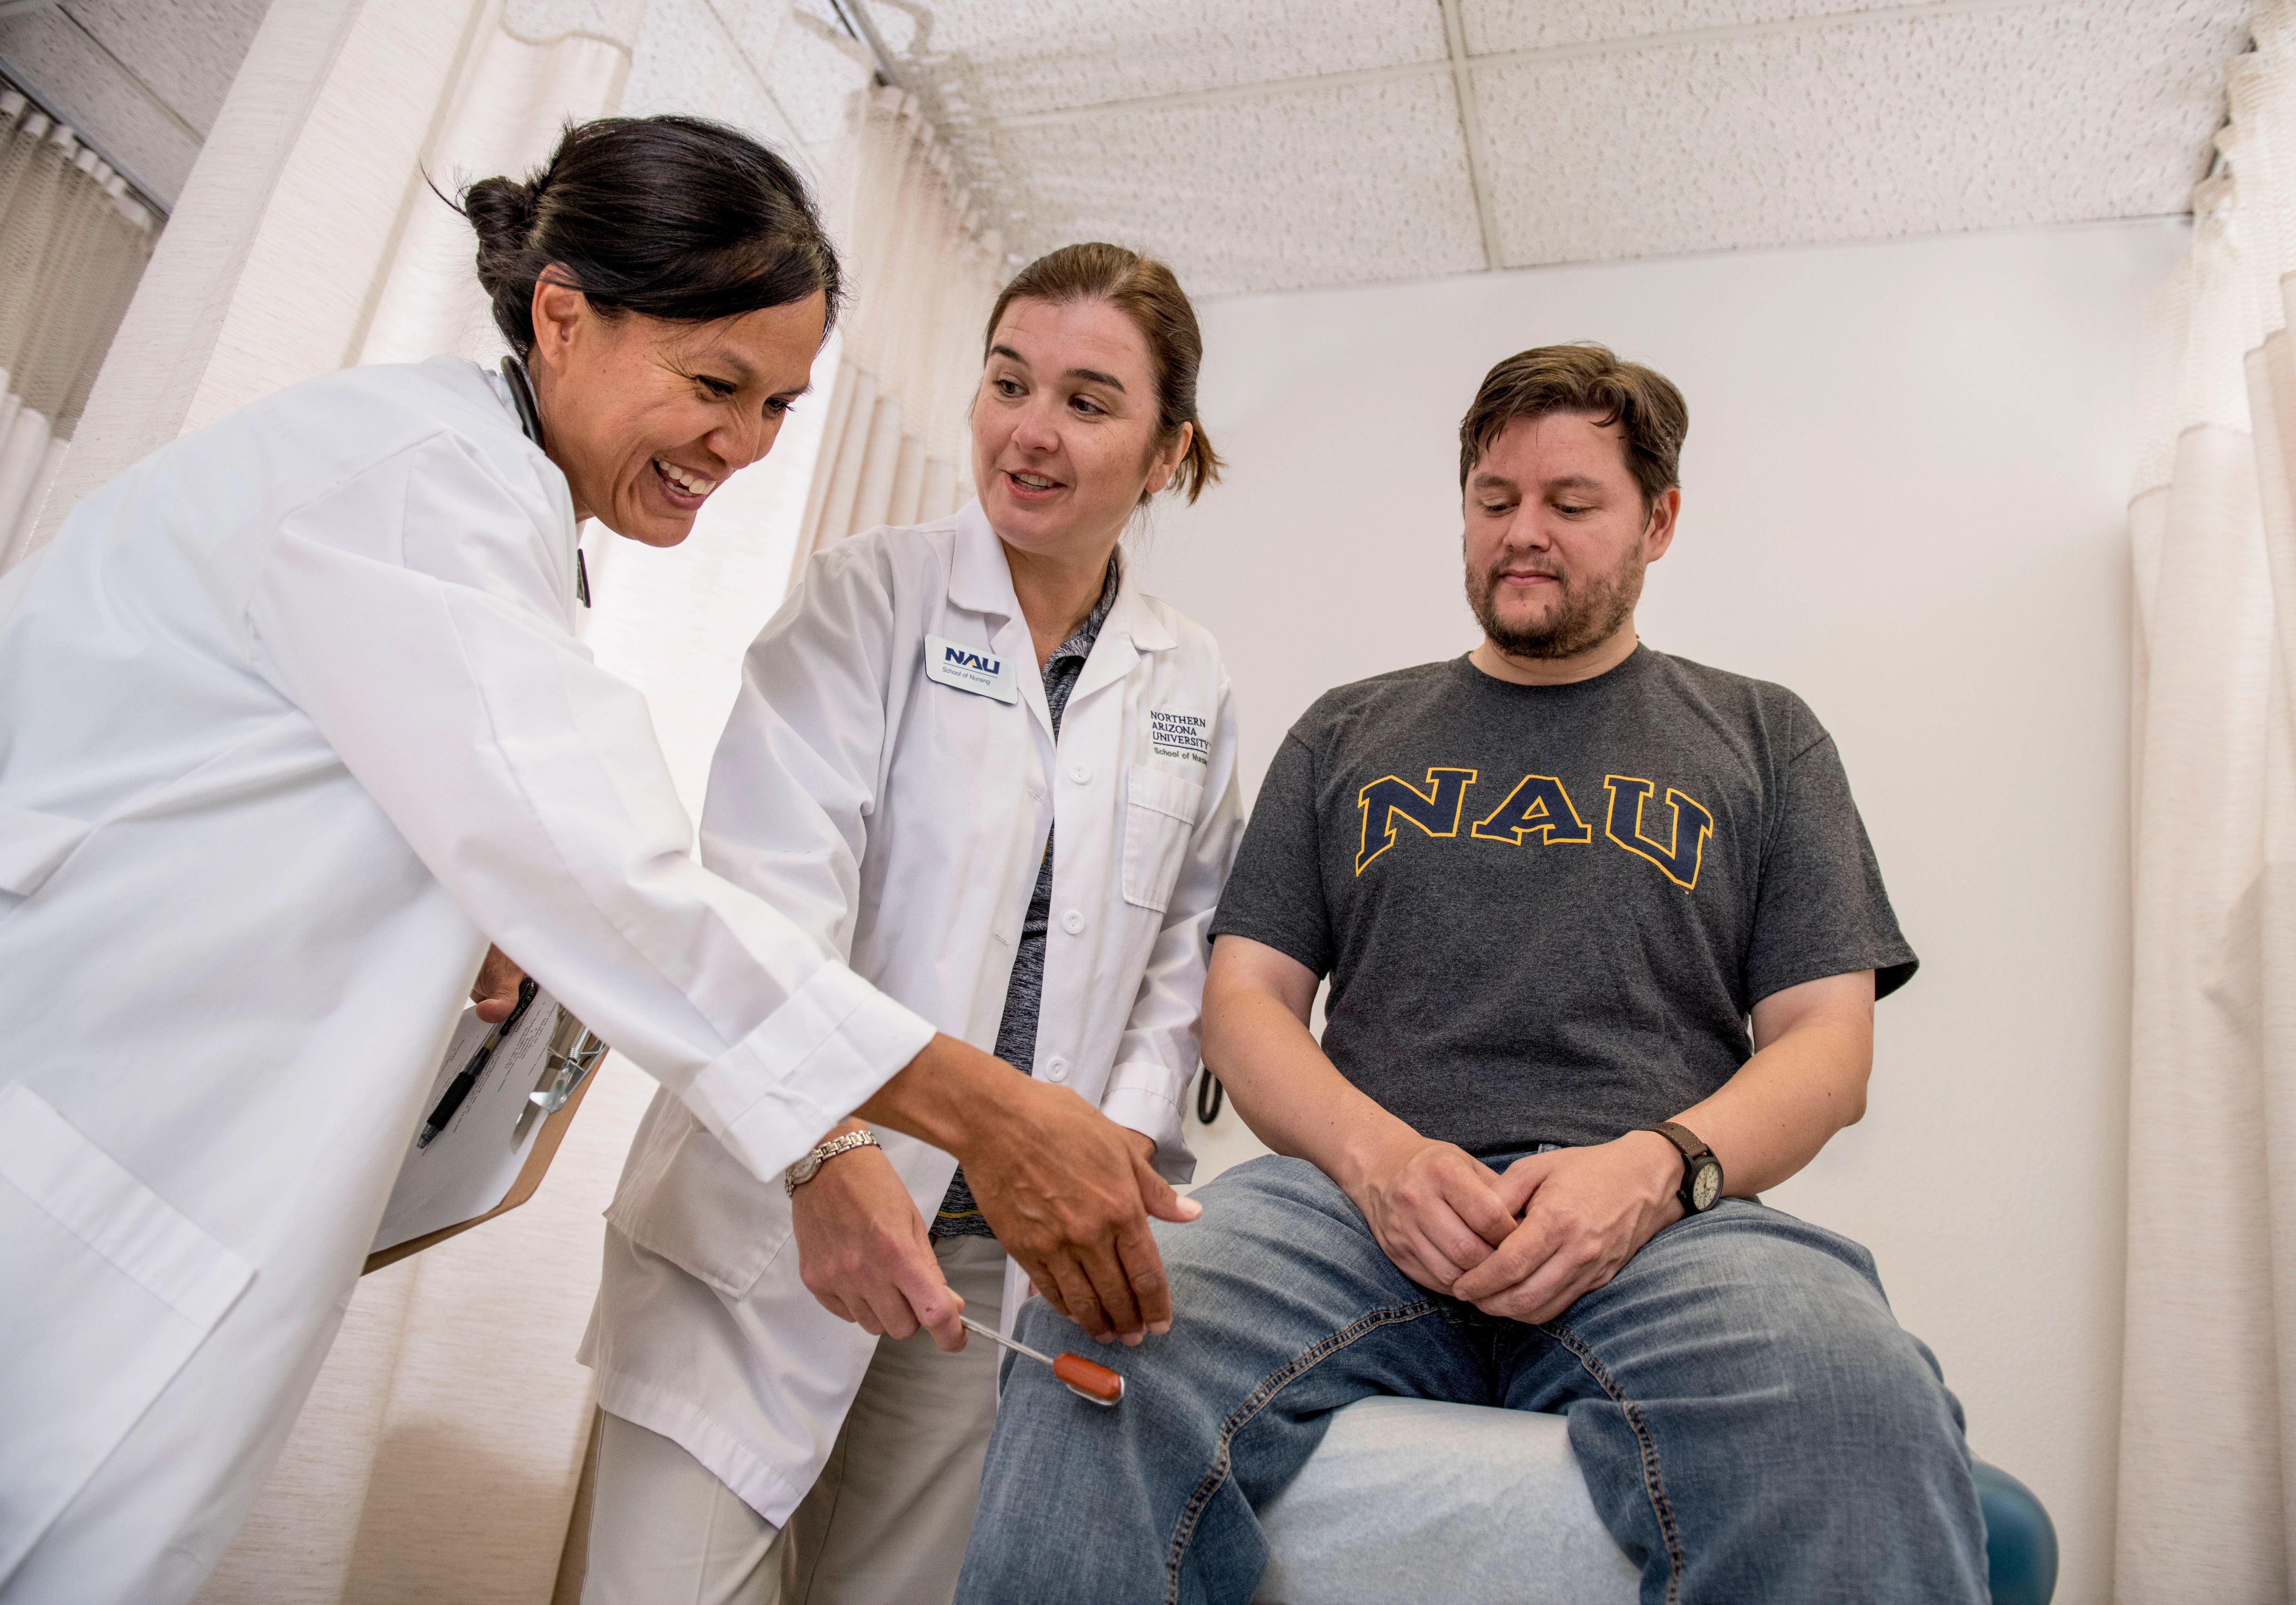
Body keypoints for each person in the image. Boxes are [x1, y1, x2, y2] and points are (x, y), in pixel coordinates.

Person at [0, 123, 1184, 1605]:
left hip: (150, 1166)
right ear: (562, 314)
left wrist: (469, 915)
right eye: (714, 388)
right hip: (77, 1150)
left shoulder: (484, 514)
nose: (743, 448)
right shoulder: (414, 488)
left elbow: (457, 826)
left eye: (776, 407)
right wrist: (984, 1110)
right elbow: (631, 880)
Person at [953, 342, 1991, 1604]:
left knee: (1851, 1394)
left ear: (1658, 522)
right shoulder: (1349, 728)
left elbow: (1829, 1049)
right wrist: (1377, 1162)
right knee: (1096, 1332)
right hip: (1355, 1212)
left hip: (1660, 1222)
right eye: (1495, 501)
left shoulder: (1762, 734)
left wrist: (1656, 1172)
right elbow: (1245, 1005)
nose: (1524, 535)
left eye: (1571, 503)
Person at [576, 242, 1242, 1605]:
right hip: (783, 1210)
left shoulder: (1190, 676)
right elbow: (763, 909)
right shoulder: (864, 598)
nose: (1031, 431)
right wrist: (829, 1150)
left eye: (1087, 400)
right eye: (1009, 382)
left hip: (998, 1260)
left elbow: (1184, 964)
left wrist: (1108, 1154)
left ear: (1168, 451)